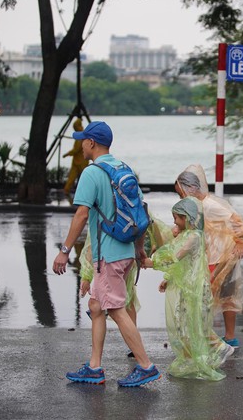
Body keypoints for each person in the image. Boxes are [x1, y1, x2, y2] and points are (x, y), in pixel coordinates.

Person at [52, 120, 161, 387]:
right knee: (96, 305)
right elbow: (140, 213)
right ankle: (94, 368)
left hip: (108, 255)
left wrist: (64, 251)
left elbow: (81, 214)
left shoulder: (92, 173)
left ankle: (146, 366)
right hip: (125, 252)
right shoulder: (123, 168)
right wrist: (137, 250)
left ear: (91, 143)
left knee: (115, 309)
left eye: (83, 141)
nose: (80, 145)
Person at [142, 196, 234, 380]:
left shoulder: (194, 237)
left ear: (187, 217)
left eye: (177, 217)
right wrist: (168, 278)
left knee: (194, 323)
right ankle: (188, 358)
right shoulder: (186, 235)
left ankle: (221, 348)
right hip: (186, 284)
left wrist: (152, 263)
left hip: (194, 287)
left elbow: (176, 257)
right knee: (184, 322)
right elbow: (180, 264)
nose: (174, 221)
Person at [175, 164, 243, 349]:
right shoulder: (196, 206)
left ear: (191, 188)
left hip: (223, 257)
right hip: (210, 256)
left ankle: (228, 336)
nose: (181, 197)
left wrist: (241, 243)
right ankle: (205, 334)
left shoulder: (210, 204)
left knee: (226, 297)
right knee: (207, 298)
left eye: (181, 193)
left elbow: (236, 220)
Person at [62, 118, 89, 195]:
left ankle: (87, 193)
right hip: (77, 161)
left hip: (82, 161)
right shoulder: (81, 135)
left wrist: (67, 154)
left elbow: (76, 149)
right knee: (72, 177)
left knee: (84, 178)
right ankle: (66, 191)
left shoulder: (81, 137)